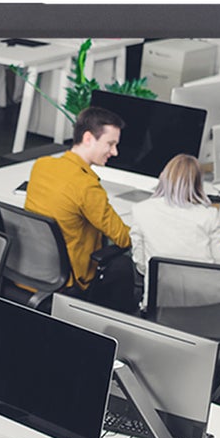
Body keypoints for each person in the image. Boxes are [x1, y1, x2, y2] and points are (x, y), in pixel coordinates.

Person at [23, 103, 136, 309]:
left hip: (29, 270)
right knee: (123, 265)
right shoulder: (86, 186)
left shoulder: (41, 165)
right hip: (67, 280)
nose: (115, 152)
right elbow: (123, 238)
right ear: (88, 138)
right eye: (110, 144)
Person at [126, 153, 220, 282]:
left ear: (164, 177)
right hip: (204, 292)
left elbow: (140, 264)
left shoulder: (141, 210)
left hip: (159, 293)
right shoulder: (208, 215)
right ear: (198, 184)